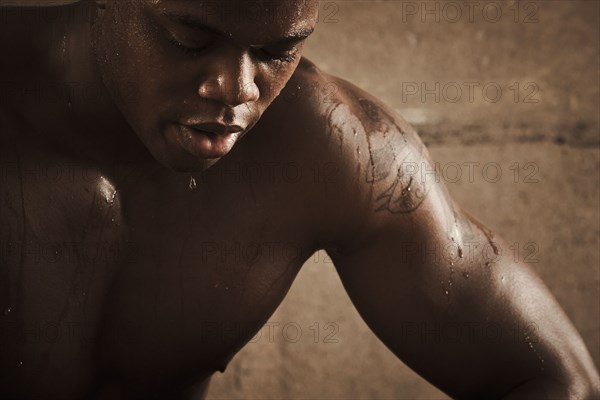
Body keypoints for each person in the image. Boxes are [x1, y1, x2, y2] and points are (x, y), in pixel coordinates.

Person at [0, 1, 598, 399]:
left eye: (276, 51)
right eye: (190, 38)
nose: (235, 88)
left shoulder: (335, 149)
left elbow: (550, 379)